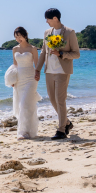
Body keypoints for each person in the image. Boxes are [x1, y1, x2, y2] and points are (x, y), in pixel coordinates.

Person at [34, 8, 80, 140]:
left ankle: (61, 130)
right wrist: (37, 69)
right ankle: (67, 123)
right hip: (49, 71)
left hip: (62, 71)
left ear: (55, 18)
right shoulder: (47, 33)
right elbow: (43, 52)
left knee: (60, 100)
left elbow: (76, 54)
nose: (46, 22)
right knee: (53, 100)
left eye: (47, 19)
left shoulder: (70, 32)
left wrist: (61, 54)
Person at [5, 26, 42, 139]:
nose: (18, 39)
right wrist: (12, 79)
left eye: (20, 36)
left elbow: (37, 64)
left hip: (31, 78)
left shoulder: (33, 49)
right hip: (19, 79)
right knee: (22, 105)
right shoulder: (15, 49)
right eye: (16, 37)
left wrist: (38, 73)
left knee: (26, 103)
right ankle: (26, 131)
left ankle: (25, 131)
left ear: (25, 35)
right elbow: (15, 65)